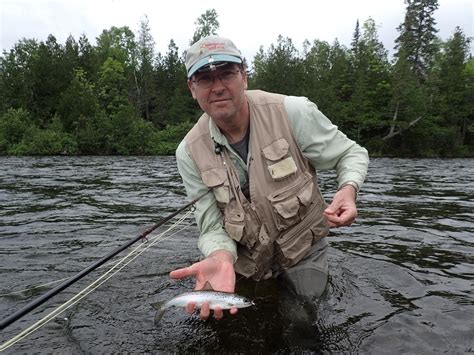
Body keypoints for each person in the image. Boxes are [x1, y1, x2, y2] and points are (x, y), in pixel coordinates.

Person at [170, 36, 369, 321]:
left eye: (226, 73)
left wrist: (348, 189)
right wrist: (221, 257)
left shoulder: (292, 112)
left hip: (304, 252)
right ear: (192, 88)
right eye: (204, 78)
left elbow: (350, 153)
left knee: (303, 321)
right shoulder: (188, 153)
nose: (217, 87)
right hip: (247, 262)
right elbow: (211, 225)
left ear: (244, 77)